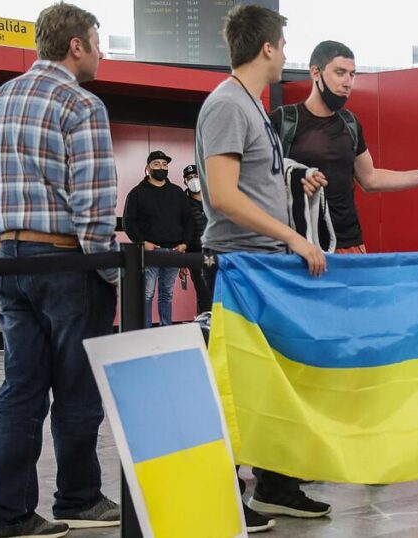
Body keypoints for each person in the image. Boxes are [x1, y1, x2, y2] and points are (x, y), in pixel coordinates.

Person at [0, 3, 121, 536]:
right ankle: (78, 498)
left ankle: (10, 514)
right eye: (96, 40)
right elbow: (95, 203)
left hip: (9, 261)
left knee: (19, 389)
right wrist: (111, 271)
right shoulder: (81, 104)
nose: (101, 50)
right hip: (69, 261)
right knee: (77, 389)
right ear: (76, 45)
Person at [195, 4, 331, 531]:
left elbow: (251, 176)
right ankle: (226, 491)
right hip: (240, 265)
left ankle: (275, 485)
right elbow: (225, 195)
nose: (286, 55)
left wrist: (296, 175)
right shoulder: (228, 103)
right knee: (234, 383)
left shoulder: (250, 105)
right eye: (283, 44)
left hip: (263, 265)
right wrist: (295, 236)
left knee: (273, 382)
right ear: (268, 47)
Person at [276, 40, 418, 254]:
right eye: (340, 72)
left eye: (352, 74)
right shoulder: (284, 121)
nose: (348, 82)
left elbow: (370, 178)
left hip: (349, 245)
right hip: (299, 246)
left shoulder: (350, 123)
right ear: (315, 72)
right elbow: (256, 182)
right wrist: (292, 181)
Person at [122, 150, 193, 327]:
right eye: (156, 164)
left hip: (174, 252)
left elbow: (188, 220)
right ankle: (145, 332)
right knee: (147, 294)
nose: (161, 168)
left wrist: (185, 243)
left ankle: (165, 328)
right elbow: (128, 222)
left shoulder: (177, 192)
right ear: (147, 169)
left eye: (164, 165)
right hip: (150, 252)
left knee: (167, 294)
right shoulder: (137, 193)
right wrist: (142, 243)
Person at [182, 164, 212, 314]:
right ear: (185, 182)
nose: (193, 180)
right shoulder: (182, 203)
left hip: (212, 251)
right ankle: (205, 323)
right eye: (189, 178)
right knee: (202, 291)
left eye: (196, 176)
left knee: (214, 289)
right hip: (193, 253)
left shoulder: (212, 198)